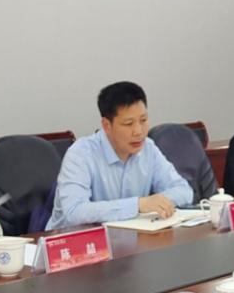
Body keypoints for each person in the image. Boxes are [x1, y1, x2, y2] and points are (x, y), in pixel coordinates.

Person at [46, 82, 192, 229]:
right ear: (106, 125)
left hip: (126, 236)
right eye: (128, 124)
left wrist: (158, 202)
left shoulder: (148, 148)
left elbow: (184, 191)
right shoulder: (81, 154)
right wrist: (138, 205)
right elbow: (74, 212)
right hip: (70, 238)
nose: (139, 131)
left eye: (143, 120)